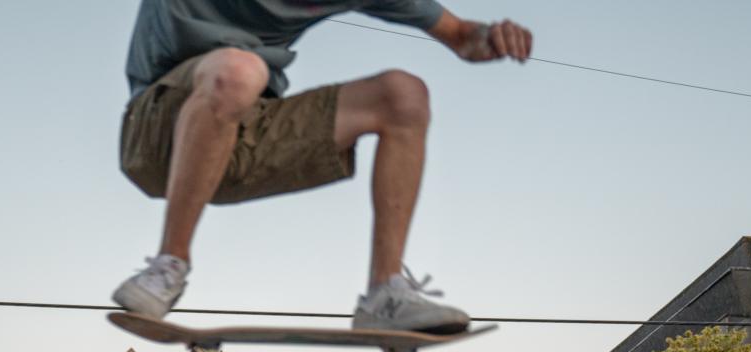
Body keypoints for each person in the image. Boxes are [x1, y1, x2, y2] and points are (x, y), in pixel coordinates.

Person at [111, 3, 533, 330]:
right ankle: (168, 265)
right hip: (155, 134)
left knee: (404, 95)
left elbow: (460, 36)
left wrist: (489, 38)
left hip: (246, 137)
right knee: (239, 70)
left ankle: (385, 293)